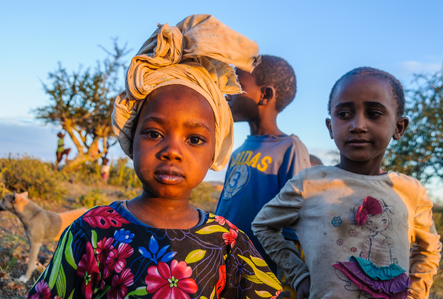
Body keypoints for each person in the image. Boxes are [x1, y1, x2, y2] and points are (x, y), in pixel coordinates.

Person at [27, 14, 282, 299]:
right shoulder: (90, 232)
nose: (172, 150)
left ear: (215, 150)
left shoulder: (229, 244)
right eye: (153, 133)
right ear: (131, 137)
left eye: (195, 139)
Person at [252, 67, 442, 299]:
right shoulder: (309, 183)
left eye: (373, 113)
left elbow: (429, 248)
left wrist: (415, 292)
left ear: (398, 127)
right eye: (344, 114)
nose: (357, 125)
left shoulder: (410, 192)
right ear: (330, 127)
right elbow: (264, 225)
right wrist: (298, 273)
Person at [215, 55, 310, 298]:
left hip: (262, 269)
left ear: (264, 95)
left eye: (236, 85)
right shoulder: (237, 152)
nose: (228, 91)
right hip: (224, 262)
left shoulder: (290, 148)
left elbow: (296, 218)